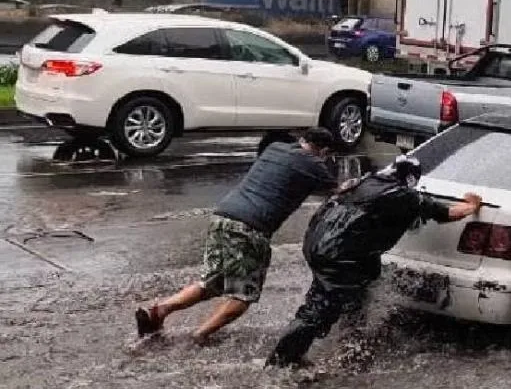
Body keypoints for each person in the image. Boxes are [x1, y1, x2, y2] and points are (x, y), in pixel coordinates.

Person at [265, 156, 483, 368]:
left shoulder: (364, 182)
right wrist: (472, 205)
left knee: (354, 295)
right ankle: (282, 361)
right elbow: (448, 213)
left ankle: (349, 345)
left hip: (319, 245)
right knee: (319, 311)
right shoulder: (402, 195)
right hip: (339, 257)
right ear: (411, 179)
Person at [135, 128, 339, 344]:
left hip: (222, 218)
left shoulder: (275, 148)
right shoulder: (314, 164)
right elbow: (338, 190)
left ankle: (158, 312)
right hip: (249, 228)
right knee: (243, 295)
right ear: (324, 151)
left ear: (302, 139)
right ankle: (201, 335)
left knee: (213, 281)